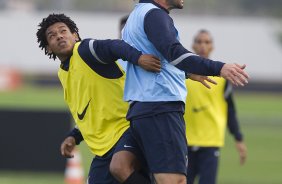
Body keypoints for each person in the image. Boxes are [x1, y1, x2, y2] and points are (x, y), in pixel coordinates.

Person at [110, 0, 249, 184]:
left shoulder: (138, 14)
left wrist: (187, 73)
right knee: (174, 180)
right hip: (161, 108)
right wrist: (220, 67)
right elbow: (174, 52)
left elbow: (160, 60)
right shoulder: (154, 14)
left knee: (121, 166)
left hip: (140, 110)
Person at [36, 13, 161, 184]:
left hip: (129, 128)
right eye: (52, 36)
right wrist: (74, 136)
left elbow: (114, 46)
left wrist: (138, 58)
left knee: (120, 168)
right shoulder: (63, 73)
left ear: (75, 35)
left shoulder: (85, 49)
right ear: (48, 48)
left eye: (63, 31)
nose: (59, 36)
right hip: (104, 148)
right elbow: (87, 110)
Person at [185, 29, 247, 184]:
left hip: (211, 142)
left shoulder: (221, 77)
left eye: (207, 42)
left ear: (212, 46)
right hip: (185, 141)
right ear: (193, 45)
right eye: (199, 42)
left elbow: (230, 109)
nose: (203, 46)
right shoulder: (184, 75)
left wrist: (238, 138)